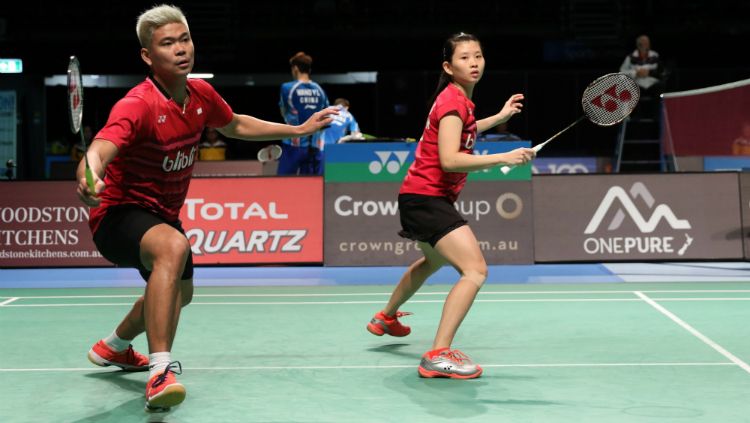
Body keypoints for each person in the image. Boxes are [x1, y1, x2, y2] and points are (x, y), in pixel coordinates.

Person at [75, 5, 336, 412]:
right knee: (172, 249)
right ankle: (160, 372)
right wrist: (89, 171)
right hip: (118, 215)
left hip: (161, 215)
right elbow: (101, 148)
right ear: (148, 56)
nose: (181, 49)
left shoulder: (200, 95)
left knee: (181, 293)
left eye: (184, 39)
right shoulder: (138, 104)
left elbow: (236, 124)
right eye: (167, 44)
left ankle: (114, 346)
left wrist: (297, 130)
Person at [365, 32, 535, 379]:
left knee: (432, 261)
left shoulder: (459, 101)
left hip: (420, 196)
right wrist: (505, 156)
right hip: (427, 197)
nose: (473, 63)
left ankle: (386, 317)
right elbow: (450, 160)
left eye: (478, 56)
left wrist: (499, 116)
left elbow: (465, 130)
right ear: (448, 65)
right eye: (464, 58)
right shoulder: (454, 102)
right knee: (475, 270)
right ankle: (438, 354)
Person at [278, 52, 330, 175]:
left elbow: (283, 112)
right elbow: (326, 116)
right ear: (309, 69)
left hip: (293, 146)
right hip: (315, 148)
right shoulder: (320, 90)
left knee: (282, 185)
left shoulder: (287, 88)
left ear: (295, 68)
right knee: (312, 189)